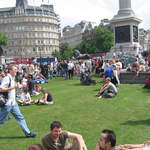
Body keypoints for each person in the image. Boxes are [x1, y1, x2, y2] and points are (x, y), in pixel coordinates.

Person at [0, 64, 37, 137]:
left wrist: (19, 86)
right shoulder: (7, 78)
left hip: (13, 103)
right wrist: (13, 87)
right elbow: (1, 89)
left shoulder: (13, 78)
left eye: (16, 69)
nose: (16, 70)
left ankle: (28, 133)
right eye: (15, 69)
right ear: (10, 70)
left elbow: (14, 88)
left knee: (20, 117)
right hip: (7, 104)